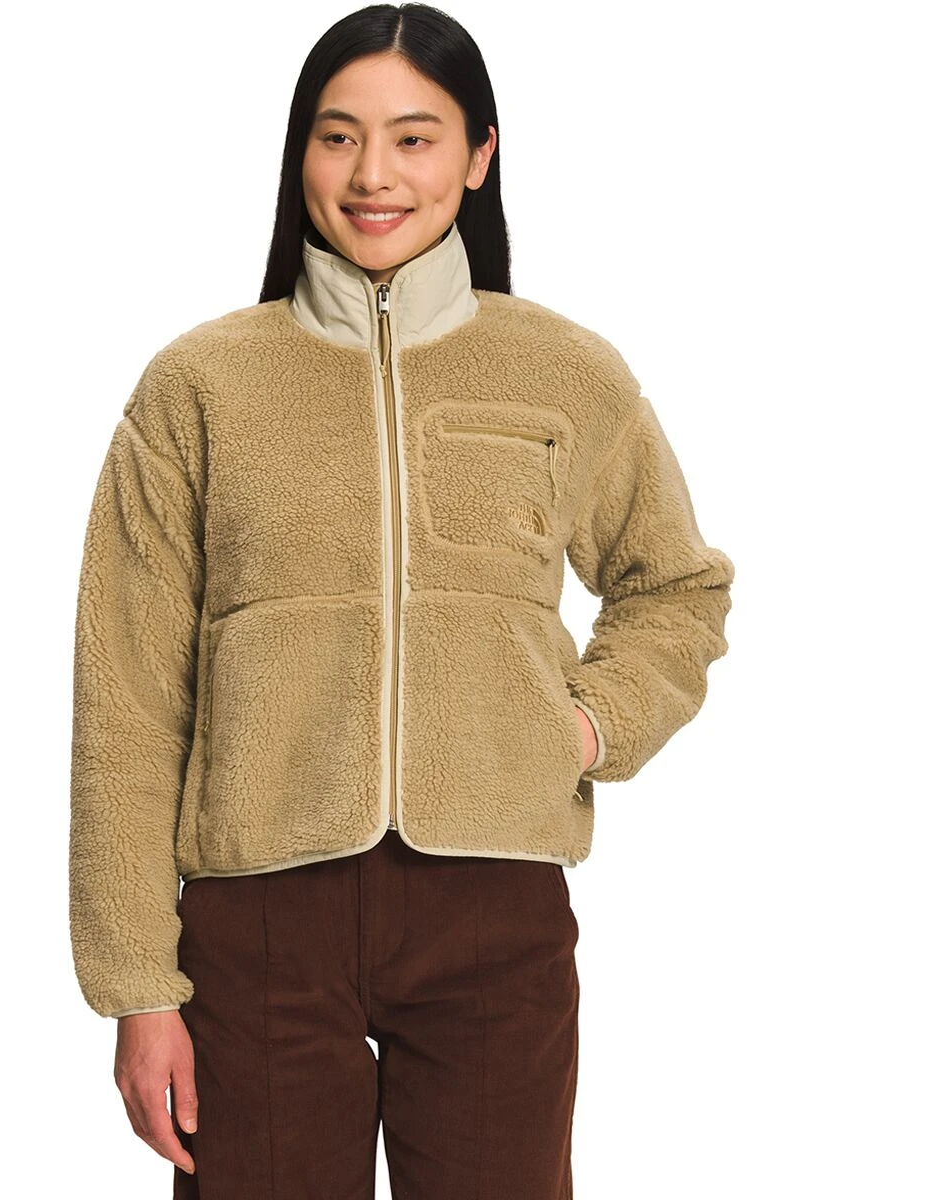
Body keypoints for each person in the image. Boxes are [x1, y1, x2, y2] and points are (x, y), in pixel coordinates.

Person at [68, 4, 735, 1196]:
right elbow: (125, 699)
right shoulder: (200, 387)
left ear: (479, 155)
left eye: (414, 138)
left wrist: (585, 728)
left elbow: (676, 588)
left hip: (493, 914)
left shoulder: (565, 373)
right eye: (338, 137)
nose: (373, 174)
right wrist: (136, 988)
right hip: (257, 923)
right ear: (301, 154)